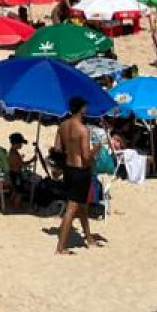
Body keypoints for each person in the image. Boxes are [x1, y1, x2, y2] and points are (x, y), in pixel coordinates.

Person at [54, 95, 101, 253]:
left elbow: (58, 150)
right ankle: (61, 247)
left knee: (82, 206)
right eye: (85, 107)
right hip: (81, 171)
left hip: (68, 169)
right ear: (81, 109)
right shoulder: (83, 129)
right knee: (73, 207)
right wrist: (97, 149)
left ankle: (88, 238)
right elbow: (86, 157)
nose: (87, 110)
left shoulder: (62, 126)